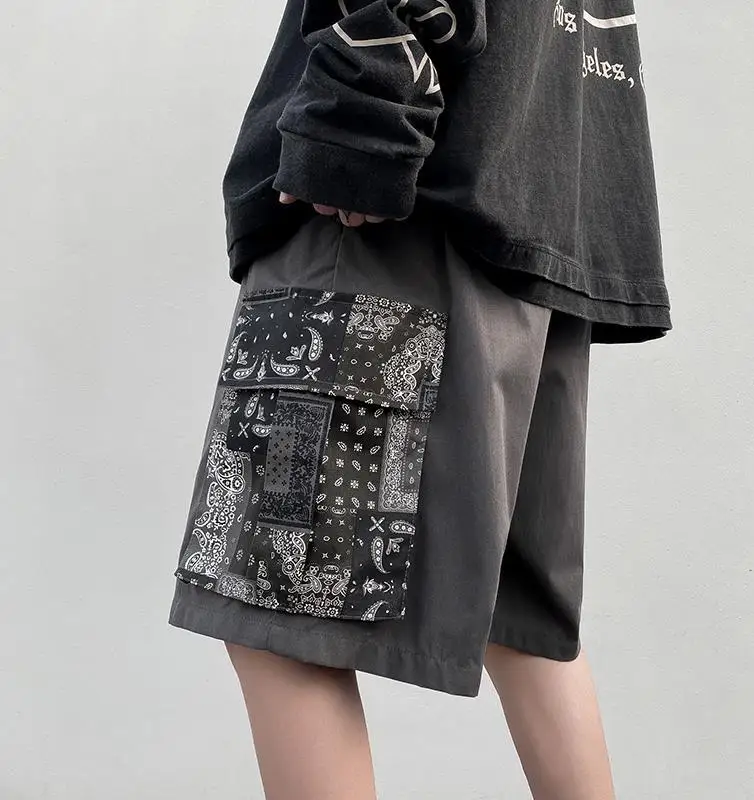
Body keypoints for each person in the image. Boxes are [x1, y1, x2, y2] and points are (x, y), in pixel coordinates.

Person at [168, 1, 672, 798]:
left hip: (395, 224)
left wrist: (361, 126)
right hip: (533, 225)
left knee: (278, 615)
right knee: (522, 626)